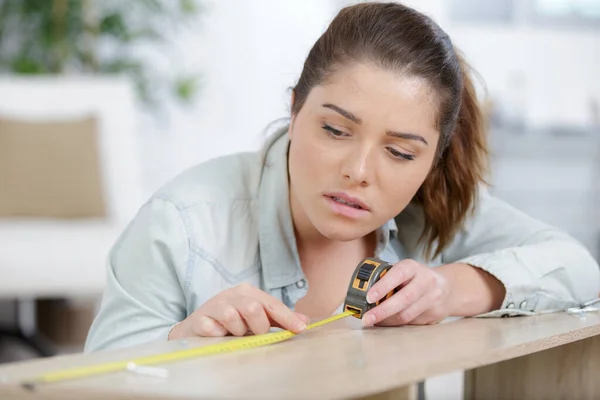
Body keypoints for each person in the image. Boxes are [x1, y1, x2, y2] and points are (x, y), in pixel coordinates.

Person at [84, 2, 600, 352]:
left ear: (432, 162)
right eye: (334, 130)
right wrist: (184, 343)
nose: (358, 172)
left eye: (399, 153)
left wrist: (450, 288)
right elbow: (86, 383)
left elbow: (579, 268)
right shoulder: (178, 225)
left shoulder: (433, 208)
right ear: (294, 109)